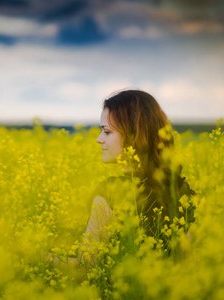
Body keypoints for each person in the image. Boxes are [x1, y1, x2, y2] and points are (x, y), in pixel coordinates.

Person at [49, 89, 195, 268]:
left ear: (133, 136)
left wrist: (33, 255)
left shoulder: (111, 192)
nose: (98, 139)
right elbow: (185, 268)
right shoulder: (182, 191)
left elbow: (84, 268)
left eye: (107, 132)